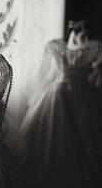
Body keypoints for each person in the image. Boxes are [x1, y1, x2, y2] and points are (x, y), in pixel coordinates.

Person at [16, 20, 102, 188]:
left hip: (84, 96)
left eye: (86, 36)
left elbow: (96, 70)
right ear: (73, 32)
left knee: (85, 135)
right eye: (80, 34)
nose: (83, 39)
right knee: (57, 134)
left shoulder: (94, 48)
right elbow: (44, 73)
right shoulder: (55, 47)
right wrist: (35, 95)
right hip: (59, 96)